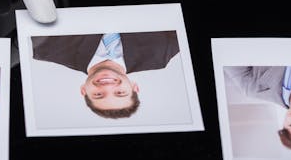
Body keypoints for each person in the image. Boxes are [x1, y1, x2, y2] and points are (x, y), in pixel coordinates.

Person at [31, 31, 180, 119]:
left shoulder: (45, 49)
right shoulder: (161, 54)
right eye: (120, 93)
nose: (108, 87)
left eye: (98, 95)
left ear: (84, 90)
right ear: (134, 88)